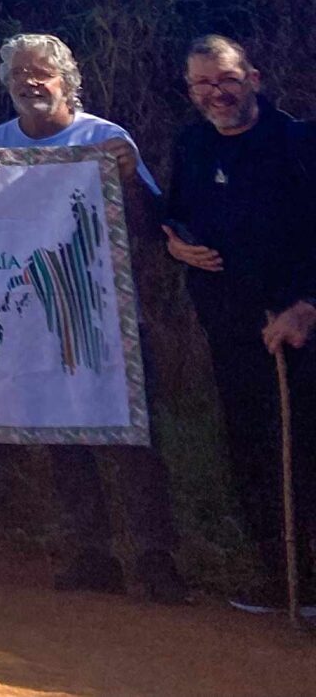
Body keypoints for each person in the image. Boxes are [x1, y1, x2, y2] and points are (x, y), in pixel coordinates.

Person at [0, 32, 187, 604]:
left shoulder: (106, 138)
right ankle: (89, 554)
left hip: (108, 315)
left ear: (65, 82)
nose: (30, 82)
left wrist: (126, 176)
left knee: (133, 440)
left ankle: (156, 560)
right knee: (60, 437)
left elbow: (151, 230)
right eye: (19, 74)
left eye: (41, 73)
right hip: (34, 318)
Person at [162, 36, 316, 614]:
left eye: (224, 78)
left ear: (252, 76)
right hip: (230, 331)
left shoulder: (299, 142)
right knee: (251, 451)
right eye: (202, 84)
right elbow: (175, 215)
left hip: (300, 327)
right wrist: (175, 245)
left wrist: (307, 306)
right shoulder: (193, 144)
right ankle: (280, 578)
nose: (215, 93)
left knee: (306, 450)